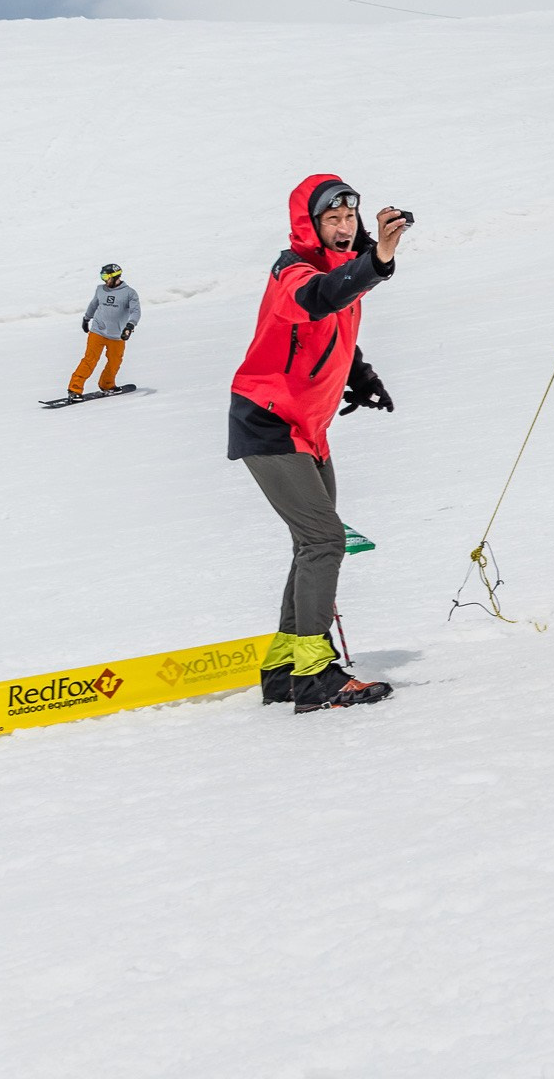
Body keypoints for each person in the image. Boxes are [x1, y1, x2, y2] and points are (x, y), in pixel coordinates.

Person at [229, 175, 406, 714]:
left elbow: (335, 329)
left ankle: (285, 668)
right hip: (268, 421)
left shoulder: (342, 270)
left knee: (312, 544)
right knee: (324, 540)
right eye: (333, 219)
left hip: (307, 428)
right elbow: (320, 298)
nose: (345, 227)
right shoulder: (294, 272)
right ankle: (314, 674)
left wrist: (360, 376)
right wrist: (379, 258)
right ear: (310, 225)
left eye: (350, 217)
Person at [68, 263, 140, 398]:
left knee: (115, 362)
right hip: (98, 331)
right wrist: (86, 318)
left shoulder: (129, 293)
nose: (104, 280)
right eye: (102, 277)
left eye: (106, 277)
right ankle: (74, 390)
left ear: (115, 276)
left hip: (117, 335)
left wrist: (130, 326)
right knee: (89, 360)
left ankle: (107, 384)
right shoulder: (100, 289)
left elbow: (136, 312)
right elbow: (93, 304)